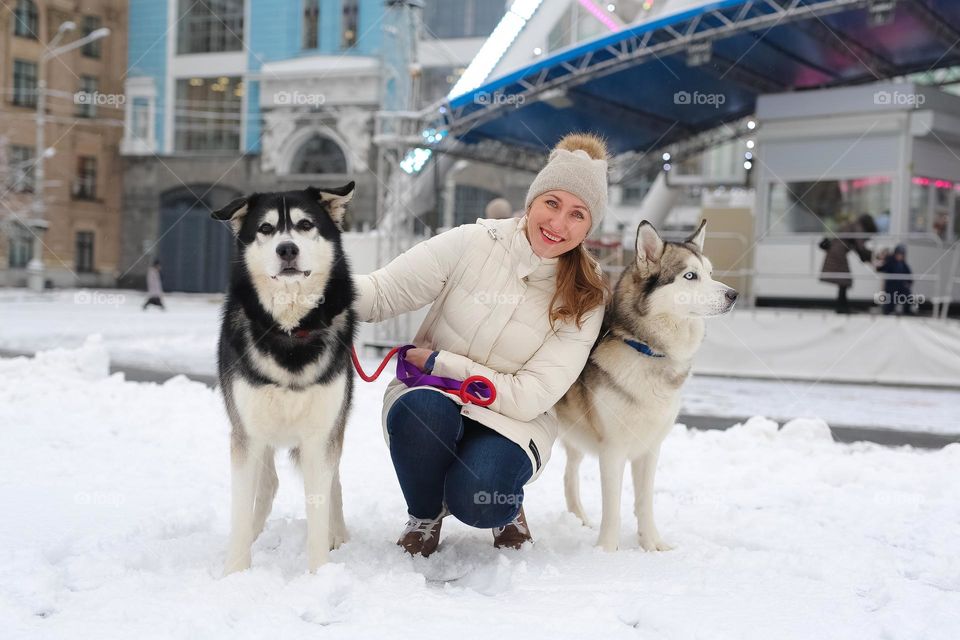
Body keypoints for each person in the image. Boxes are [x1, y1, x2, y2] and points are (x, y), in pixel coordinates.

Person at [353, 133, 610, 556]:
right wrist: (313, 289)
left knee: (479, 497)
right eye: (552, 203)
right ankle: (425, 512)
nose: (558, 224)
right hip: (432, 397)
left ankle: (504, 507)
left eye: (577, 214)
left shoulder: (587, 293)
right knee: (421, 411)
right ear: (531, 202)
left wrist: (442, 362)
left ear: (589, 226)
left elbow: (530, 398)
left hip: (514, 422)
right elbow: (383, 293)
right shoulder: (472, 242)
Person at [819, 213, 877, 314]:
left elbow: (856, 246)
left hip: (836, 251)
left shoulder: (853, 225)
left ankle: (842, 306)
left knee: (843, 280)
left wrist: (866, 257)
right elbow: (860, 246)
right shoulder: (858, 227)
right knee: (844, 280)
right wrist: (870, 256)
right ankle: (842, 307)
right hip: (838, 252)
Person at [875, 244, 914, 315]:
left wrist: (908, 283)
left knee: (908, 296)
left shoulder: (903, 264)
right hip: (891, 287)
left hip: (901, 287)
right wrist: (880, 259)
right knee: (890, 302)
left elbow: (909, 276)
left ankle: (907, 312)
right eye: (899, 254)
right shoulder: (890, 261)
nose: (900, 256)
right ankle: (887, 311)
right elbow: (880, 268)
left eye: (902, 254)